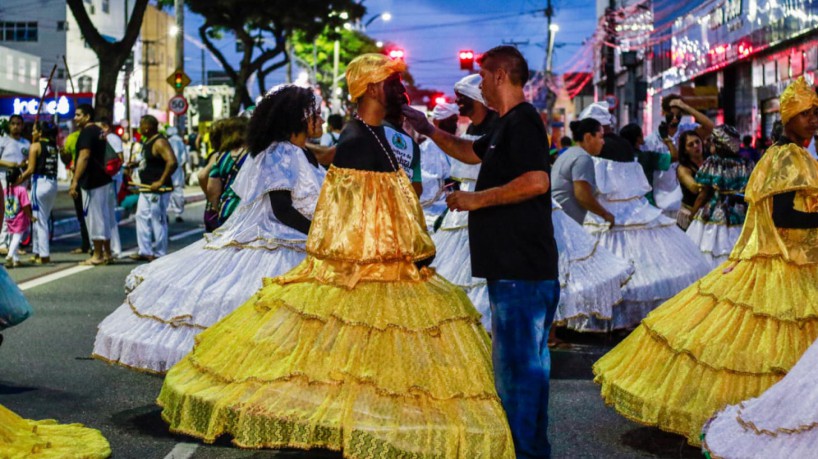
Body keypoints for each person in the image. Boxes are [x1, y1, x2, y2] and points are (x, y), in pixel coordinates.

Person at [155, 53, 514, 458]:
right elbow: (348, 218)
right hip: (365, 268)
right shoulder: (356, 140)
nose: (401, 89)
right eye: (394, 82)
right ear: (374, 87)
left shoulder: (376, 135)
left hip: (389, 264)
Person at [594, 75, 818, 447]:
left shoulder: (788, 154)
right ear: (789, 118)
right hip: (782, 261)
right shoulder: (787, 157)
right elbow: (783, 216)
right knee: (764, 345)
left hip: (794, 260)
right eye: (806, 113)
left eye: (816, 112)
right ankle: (765, 423)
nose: (813, 119)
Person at [94, 85, 327, 373]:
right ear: (299, 118)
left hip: (300, 239)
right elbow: (280, 208)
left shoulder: (302, 153)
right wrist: (319, 231)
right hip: (277, 239)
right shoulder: (280, 153)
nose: (322, 120)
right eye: (316, 114)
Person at [403, 45, 558, 458]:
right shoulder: (505, 125)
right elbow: (471, 151)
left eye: (484, 76)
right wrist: (430, 129)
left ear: (502, 76)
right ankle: (530, 448)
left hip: (521, 270)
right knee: (526, 371)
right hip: (513, 270)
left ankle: (525, 453)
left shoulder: (523, 121)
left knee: (519, 373)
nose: (481, 84)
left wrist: (476, 200)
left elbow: (537, 182)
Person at [577, 114, 710, 330]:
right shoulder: (636, 154)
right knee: (647, 266)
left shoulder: (601, 157)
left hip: (617, 214)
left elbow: (595, 189)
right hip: (639, 211)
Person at [430, 74, 498, 330]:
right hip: (463, 210)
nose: (457, 103)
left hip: (486, 204)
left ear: (476, 99)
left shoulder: (495, 128)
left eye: (461, 99)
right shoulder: (470, 129)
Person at [685, 126, 754, 267]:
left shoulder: (713, 163)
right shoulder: (746, 164)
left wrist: (692, 215)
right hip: (742, 216)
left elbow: (703, 194)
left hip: (714, 215)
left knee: (708, 254)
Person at [642, 94, 714, 219]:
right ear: (664, 112)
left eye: (678, 114)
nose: (675, 118)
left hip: (684, 203)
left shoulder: (686, 131)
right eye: (671, 114)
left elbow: (710, 127)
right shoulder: (651, 141)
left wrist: (686, 107)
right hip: (661, 202)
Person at [70, 104, 117, 266]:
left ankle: (97, 255)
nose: (75, 118)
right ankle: (107, 253)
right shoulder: (98, 131)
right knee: (104, 216)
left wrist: (75, 181)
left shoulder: (87, 133)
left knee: (94, 218)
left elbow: (84, 156)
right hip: (104, 179)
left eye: (78, 115)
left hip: (92, 181)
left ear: (87, 116)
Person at [551, 117, 614, 225]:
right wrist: (605, 214)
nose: (603, 142)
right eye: (601, 137)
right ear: (588, 137)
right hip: (565, 223)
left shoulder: (569, 153)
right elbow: (582, 195)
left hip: (557, 220)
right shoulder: (583, 158)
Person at [131, 115, 177, 261]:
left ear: (147, 127)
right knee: (141, 216)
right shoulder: (148, 142)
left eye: (141, 125)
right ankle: (145, 250)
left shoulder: (160, 142)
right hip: (146, 188)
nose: (139, 128)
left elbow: (172, 162)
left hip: (158, 189)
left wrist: (161, 181)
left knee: (158, 219)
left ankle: (160, 252)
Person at [18, 122, 59, 264]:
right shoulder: (54, 146)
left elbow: (30, 170)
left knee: (39, 221)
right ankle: (36, 252)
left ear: (40, 132)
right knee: (40, 218)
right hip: (52, 184)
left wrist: (18, 180)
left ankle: (44, 255)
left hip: (39, 183)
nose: (32, 133)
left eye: (35, 130)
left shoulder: (35, 146)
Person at [204, 117, 250, 230]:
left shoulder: (222, 157)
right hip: (250, 212)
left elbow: (212, 190)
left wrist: (220, 208)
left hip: (227, 210)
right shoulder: (254, 154)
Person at [418, 102, 455, 228]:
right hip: (433, 214)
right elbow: (425, 185)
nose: (454, 125)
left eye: (454, 121)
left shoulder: (461, 144)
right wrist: (448, 184)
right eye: (449, 121)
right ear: (437, 123)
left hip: (458, 211)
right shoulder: (426, 149)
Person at [0, 114, 31, 254]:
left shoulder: (26, 144)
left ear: (22, 126)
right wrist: (9, 164)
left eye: (18, 124)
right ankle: (2, 243)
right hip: (4, 180)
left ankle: (14, 244)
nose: (16, 126)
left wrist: (24, 165)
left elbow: (30, 163)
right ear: (9, 125)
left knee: (18, 214)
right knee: (6, 211)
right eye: (13, 123)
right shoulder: (3, 141)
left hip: (21, 181)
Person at [62, 128, 92, 255]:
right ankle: (90, 244)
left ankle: (91, 245)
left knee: (83, 213)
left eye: (79, 115)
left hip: (83, 178)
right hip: (88, 178)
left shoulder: (74, 137)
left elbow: (66, 159)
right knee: (86, 213)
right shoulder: (95, 133)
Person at [675, 130, 705, 230]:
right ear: (685, 150)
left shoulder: (710, 161)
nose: (696, 146)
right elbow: (694, 188)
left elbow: (710, 126)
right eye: (690, 144)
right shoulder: (683, 168)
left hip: (708, 214)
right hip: (688, 216)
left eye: (697, 142)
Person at [3, 167, 32, 268]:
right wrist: (30, 216)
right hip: (20, 219)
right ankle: (10, 255)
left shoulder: (5, 190)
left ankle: (16, 259)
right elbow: (25, 206)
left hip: (9, 218)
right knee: (17, 238)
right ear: (19, 178)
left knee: (13, 238)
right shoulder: (21, 190)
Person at [165, 126, 189, 223]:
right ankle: (178, 213)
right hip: (177, 170)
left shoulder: (166, 142)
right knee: (178, 192)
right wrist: (184, 171)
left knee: (166, 192)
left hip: (167, 170)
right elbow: (184, 158)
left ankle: (165, 213)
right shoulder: (181, 143)